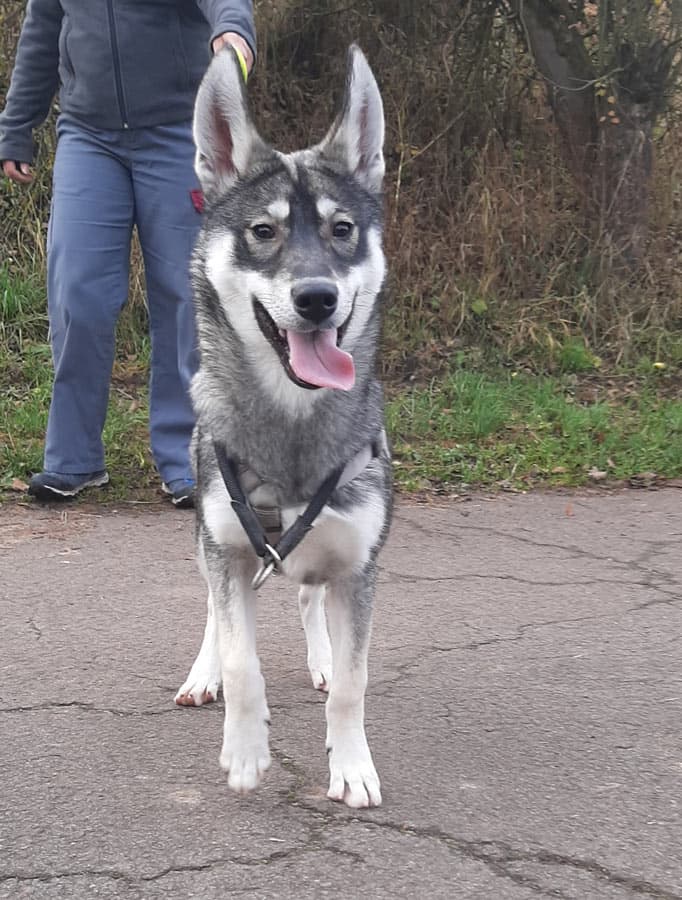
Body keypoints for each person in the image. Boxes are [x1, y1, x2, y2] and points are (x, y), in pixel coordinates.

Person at [0, 1, 255, 508]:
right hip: (88, 135)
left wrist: (233, 31)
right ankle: (73, 459)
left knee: (185, 294)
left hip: (178, 131)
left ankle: (188, 460)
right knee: (79, 292)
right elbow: (44, 27)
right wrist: (16, 125)